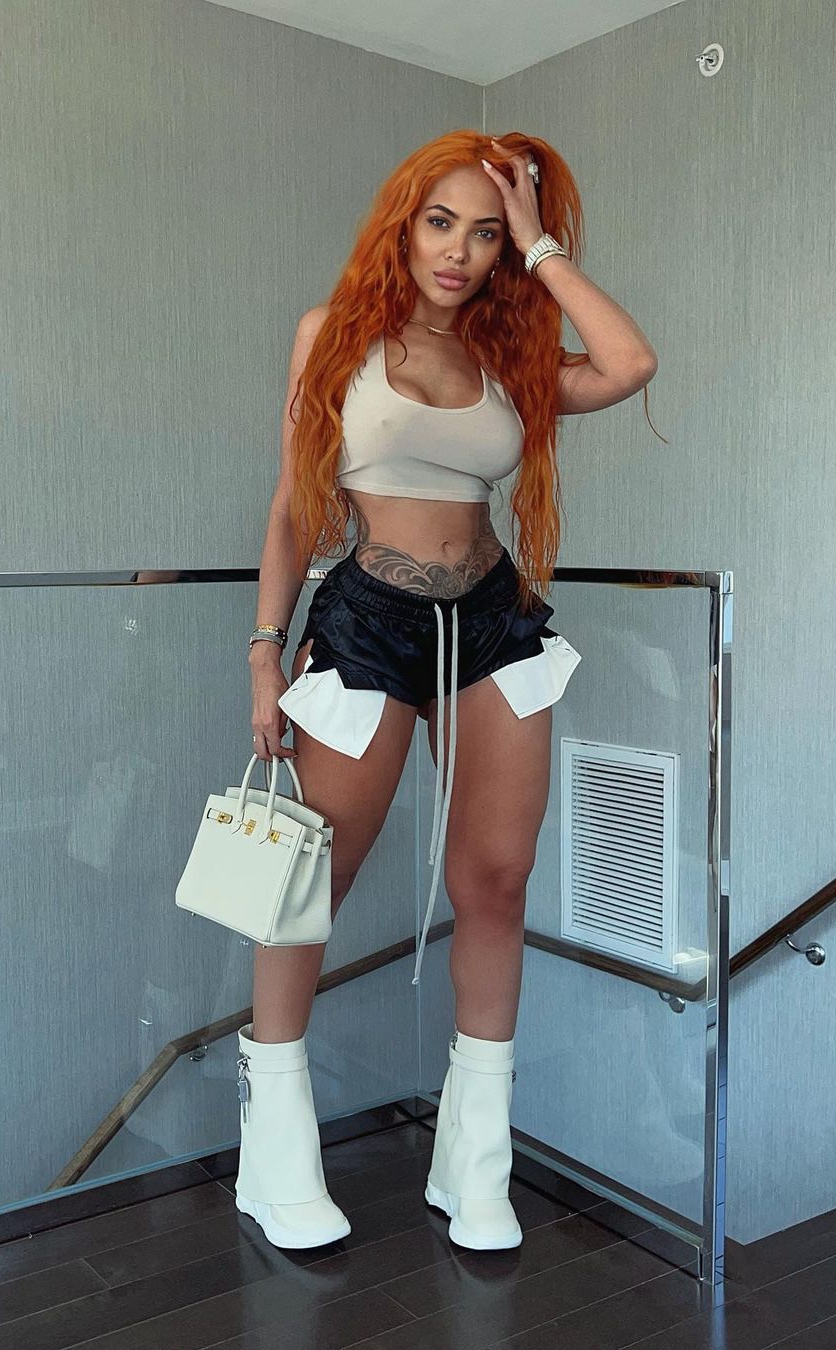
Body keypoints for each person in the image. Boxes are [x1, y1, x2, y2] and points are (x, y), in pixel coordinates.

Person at [235, 129, 662, 1254]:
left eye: (484, 233)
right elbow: (293, 506)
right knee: (310, 880)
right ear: (402, 222)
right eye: (441, 222)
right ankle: (272, 1157)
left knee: (498, 880)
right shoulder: (333, 336)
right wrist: (266, 648)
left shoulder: (511, 355)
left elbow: (629, 364)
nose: (459, 252)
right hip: (369, 621)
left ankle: (474, 1167)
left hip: (494, 622)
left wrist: (541, 244)